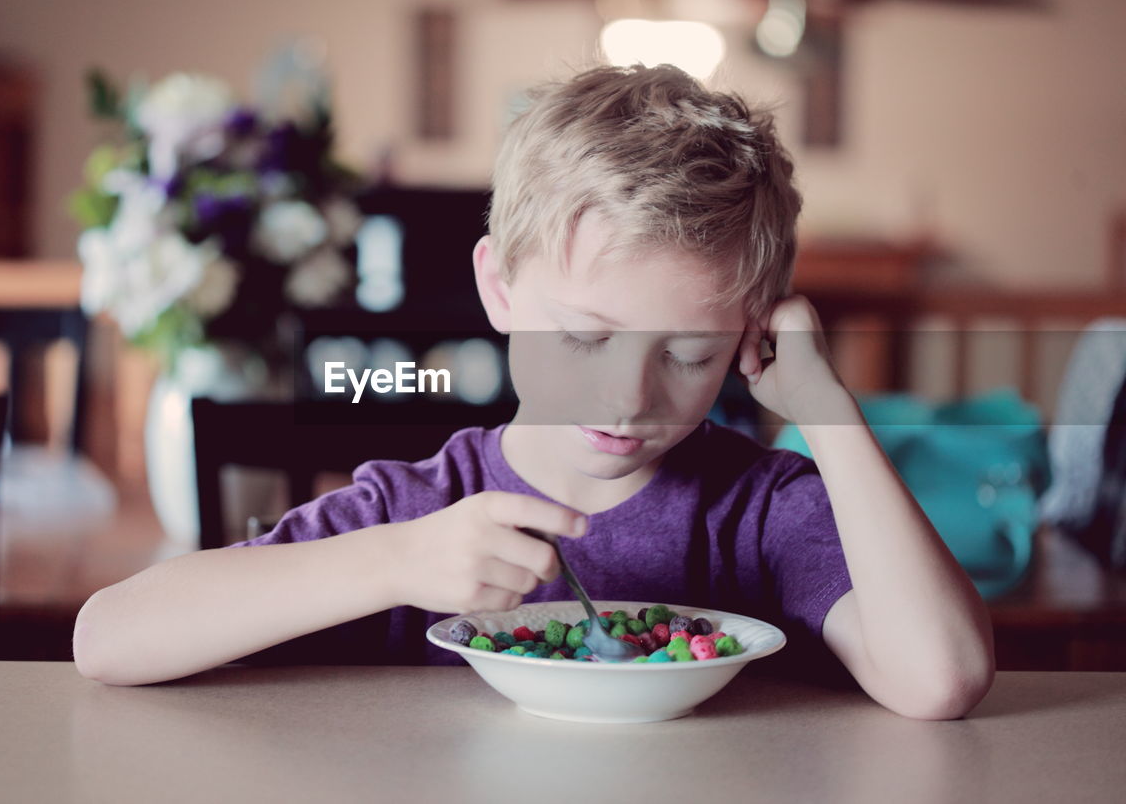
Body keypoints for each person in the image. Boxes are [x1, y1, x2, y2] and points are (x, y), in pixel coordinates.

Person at [73, 63, 994, 719]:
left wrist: (826, 408)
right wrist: (391, 564)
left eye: (688, 352)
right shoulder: (420, 511)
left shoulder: (762, 514)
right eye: (586, 334)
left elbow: (941, 677)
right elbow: (108, 638)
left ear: (750, 336)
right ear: (499, 288)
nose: (629, 396)